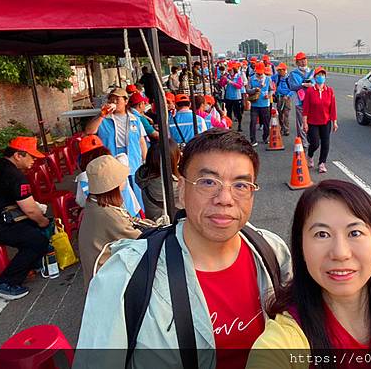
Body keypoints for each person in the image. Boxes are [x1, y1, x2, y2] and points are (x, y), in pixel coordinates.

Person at [77, 129, 292, 369]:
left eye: (241, 185)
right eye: (208, 182)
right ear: (181, 192)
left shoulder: (272, 253)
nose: (225, 198)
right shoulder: (124, 277)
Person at [247, 180, 371, 369]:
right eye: (322, 234)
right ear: (301, 248)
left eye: (354, 233)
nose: (340, 253)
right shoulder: (283, 343)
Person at [0, 137, 50, 300]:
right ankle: (3, 284)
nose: (34, 160)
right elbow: (30, 210)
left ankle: (31, 263)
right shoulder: (14, 175)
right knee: (37, 239)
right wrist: (45, 222)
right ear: (18, 155)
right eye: (31, 156)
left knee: (31, 227)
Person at [78, 155, 141, 290]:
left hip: (98, 270)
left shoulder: (94, 202)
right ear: (113, 184)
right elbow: (139, 237)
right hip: (104, 279)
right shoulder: (108, 214)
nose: (125, 178)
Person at [85, 87, 147, 208]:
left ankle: (140, 219)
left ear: (126, 101)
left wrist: (145, 161)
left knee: (136, 195)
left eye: (117, 99)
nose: (114, 102)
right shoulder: (104, 119)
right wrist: (101, 115)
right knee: (117, 195)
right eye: (111, 100)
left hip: (133, 160)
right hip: (112, 160)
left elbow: (141, 141)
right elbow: (89, 131)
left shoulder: (135, 119)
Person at [75, 135, 142, 218]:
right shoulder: (119, 164)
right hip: (132, 213)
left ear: (82, 159)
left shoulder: (83, 179)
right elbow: (122, 156)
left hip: (106, 220)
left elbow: (81, 202)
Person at [302, 67, 338, 174]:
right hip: (313, 122)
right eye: (318, 75)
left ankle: (322, 163)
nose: (321, 77)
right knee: (315, 143)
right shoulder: (310, 91)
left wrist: (334, 121)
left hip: (325, 121)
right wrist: (305, 122)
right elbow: (306, 108)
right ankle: (310, 155)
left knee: (326, 143)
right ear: (314, 77)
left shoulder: (330, 91)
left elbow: (333, 108)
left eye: (323, 75)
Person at [135, 140, 180, 223]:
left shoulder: (144, 175)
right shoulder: (169, 185)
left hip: (155, 223)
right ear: (172, 160)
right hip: (170, 225)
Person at [287, 52, 315, 152]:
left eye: (304, 59)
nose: (303, 62)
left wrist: (312, 85)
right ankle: (303, 141)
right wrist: (303, 85)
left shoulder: (312, 72)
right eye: (300, 60)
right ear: (297, 62)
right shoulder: (293, 74)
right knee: (301, 122)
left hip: (312, 101)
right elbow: (292, 86)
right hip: (300, 101)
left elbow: (316, 84)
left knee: (311, 121)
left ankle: (311, 138)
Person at [247, 62, 273, 147]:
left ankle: (265, 138)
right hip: (255, 104)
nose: (259, 74)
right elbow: (247, 90)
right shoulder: (251, 79)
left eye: (261, 73)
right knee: (253, 122)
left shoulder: (268, 79)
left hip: (265, 105)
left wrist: (268, 95)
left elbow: (272, 90)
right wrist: (254, 90)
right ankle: (253, 140)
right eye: (258, 73)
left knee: (266, 122)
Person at [221, 62, 244, 132]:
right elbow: (222, 84)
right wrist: (223, 79)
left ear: (234, 70)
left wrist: (231, 82)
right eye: (229, 70)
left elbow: (239, 86)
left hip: (237, 97)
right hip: (228, 97)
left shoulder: (239, 76)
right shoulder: (227, 76)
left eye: (231, 70)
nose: (230, 71)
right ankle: (229, 126)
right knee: (229, 112)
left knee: (238, 112)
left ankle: (239, 125)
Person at [272, 62, 293, 136]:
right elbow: (269, 79)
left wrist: (287, 95)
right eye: (278, 70)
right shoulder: (276, 77)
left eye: (280, 70)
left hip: (286, 98)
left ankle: (286, 129)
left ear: (284, 70)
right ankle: (281, 128)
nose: (279, 72)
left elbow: (293, 89)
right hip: (279, 97)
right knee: (280, 114)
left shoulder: (289, 78)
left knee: (286, 114)